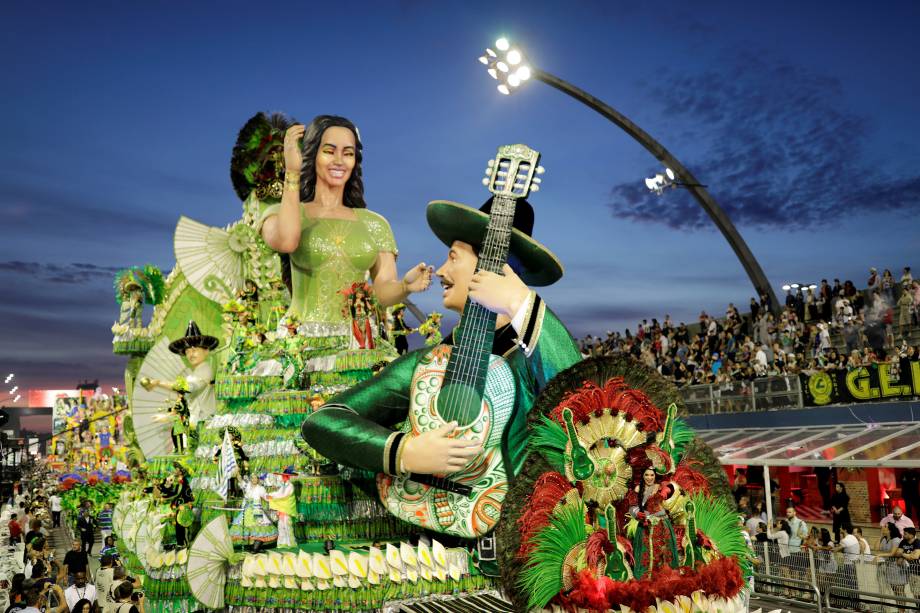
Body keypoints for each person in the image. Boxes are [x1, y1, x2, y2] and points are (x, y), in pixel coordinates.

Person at [302, 194, 581, 541]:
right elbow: (323, 421)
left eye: (453, 258)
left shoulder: (529, 362)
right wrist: (405, 452)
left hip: (519, 553)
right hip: (429, 553)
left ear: (491, 270)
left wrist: (519, 300)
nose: (443, 272)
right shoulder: (428, 366)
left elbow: (584, 402)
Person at [258, 115, 432, 389]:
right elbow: (288, 241)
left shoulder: (374, 224)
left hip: (357, 346)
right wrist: (292, 173)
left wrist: (405, 287)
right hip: (302, 345)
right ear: (311, 155)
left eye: (348, 153)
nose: (339, 160)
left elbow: (382, 291)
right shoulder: (282, 214)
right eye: (329, 151)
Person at [140, 320, 218, 439]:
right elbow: (183, 404)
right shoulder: (192, 375)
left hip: (207, 422)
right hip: (194, 423)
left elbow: (189, 387)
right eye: (187, 351)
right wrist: (168, 417)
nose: (191, 355)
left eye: (194, 350)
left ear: (206, 351)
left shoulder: (205, 370)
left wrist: (159, 383)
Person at [627, 467, 679, 578]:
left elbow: (671, 487)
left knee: (664, 551)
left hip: (662, 524)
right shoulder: (638, 489)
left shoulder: (660, 485)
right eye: (647, 475)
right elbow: (632, 507)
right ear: (643, 476)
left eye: (652, 475)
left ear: (655, 476)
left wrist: (666, 490)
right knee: (647, 552)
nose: (649, 478)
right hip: (646, 525)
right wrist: (637, 514)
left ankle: (666, 576)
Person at [229, 474, 277, 549]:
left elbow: (266, 497)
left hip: (257, 509)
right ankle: (251, 545)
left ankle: (255, 547)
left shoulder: (261, 488)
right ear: (250, 479)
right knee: (245, 527)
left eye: (256, 478)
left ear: (258, 480)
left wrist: (274, 496)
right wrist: (238, 474)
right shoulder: (247, 486)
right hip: (247, 509)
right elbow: (241, 481)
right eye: (253, 478)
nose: (254, 480)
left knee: (258, 527)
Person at [875, 522, 905, 602]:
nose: (882, 527)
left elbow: (892, 553)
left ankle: (902, 610)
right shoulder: (885, 539)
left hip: (896, 568)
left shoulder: (896, 540)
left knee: (899, 591)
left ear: (889, 530)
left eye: (885, 526)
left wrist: (880, 555)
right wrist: (881, 536)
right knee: (895, 591)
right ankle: (900, 609)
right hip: (888, 567)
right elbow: (876, 548)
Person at [895, 527, 920, 604]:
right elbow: (897, 553)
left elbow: (915, 556)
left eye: (905, 534)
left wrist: (903, 554)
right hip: (911, 571)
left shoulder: (917, 542)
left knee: (918, 593)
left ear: (911, 535)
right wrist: (909, 555)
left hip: (918, 570)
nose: (903, 535)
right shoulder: (903, 542)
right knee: (915, 592)